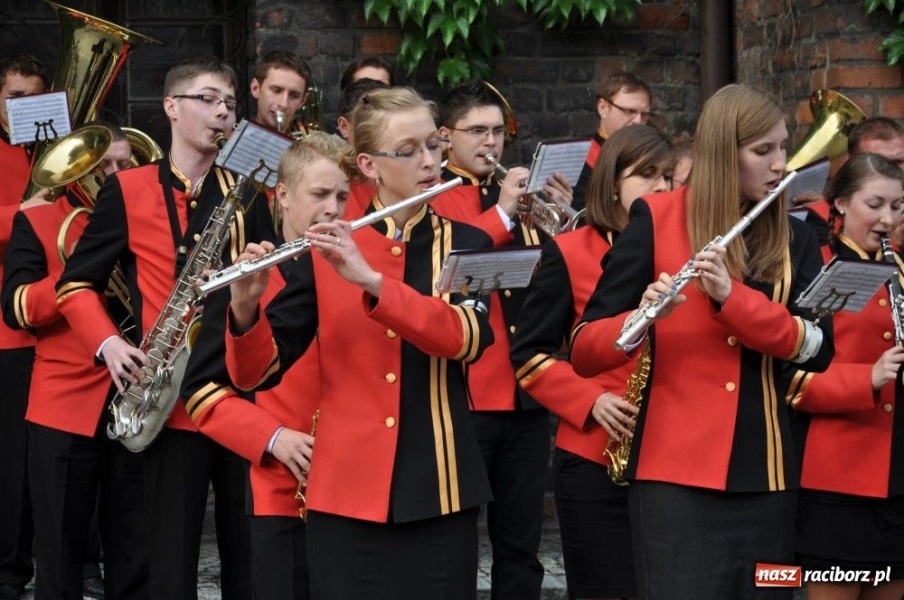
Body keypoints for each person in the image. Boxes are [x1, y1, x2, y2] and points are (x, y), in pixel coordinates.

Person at [223, 86, 494, 599]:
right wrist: (243, 308)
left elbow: (467, 337)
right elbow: (255, 375)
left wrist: (373, 282)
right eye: (409, 150)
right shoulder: (323, 249)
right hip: (344, 492)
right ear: (368, 164)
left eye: (434, 145)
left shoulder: (467, 243)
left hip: (441, 486)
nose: (430, 160)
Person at [569, 83, 834, 599]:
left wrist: (734, 301)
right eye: (763, 151)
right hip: (673, 475)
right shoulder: (656, 217)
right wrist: (644, 316)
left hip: (768, 473)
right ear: (721, 153)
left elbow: (819, 349)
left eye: (783, 146)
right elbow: (582, 348)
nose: (781, 163)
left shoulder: (798, 236)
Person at [55, 56, 269, 600]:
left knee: (250, 552)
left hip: (239, 392)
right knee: (165, 560)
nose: (222, 111)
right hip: (167, 400)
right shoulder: (126, 190)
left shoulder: (250, 192)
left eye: (229, 102)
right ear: (171, 107)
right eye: (208, 98)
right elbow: (76, 285)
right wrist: (108, 345)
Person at [181, 132, 352, 600]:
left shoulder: (361, 271)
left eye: (342, 195)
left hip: (358, 486)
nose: (333, 208)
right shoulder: (246, 276)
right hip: (283, 487)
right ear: (283, 196)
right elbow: (201, 393)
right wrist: (274, 438)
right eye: (319, 195)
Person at [511, 124, 673, 600]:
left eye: (667, 177)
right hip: (595, 454)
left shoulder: (682, 248)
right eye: (647, 175)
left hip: (672, 452)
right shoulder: (568, 251)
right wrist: (590, 400)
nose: (661, 188)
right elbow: (530, 356)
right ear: (613, 185)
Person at [432, 78, 571, 600]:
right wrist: (506, 213)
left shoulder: (515, 198)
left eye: (497, 132)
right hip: (467, 394)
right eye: (477, 132)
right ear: (446, 137)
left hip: (526, 394)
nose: (491, 143)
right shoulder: (438, 197)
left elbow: (550, 278)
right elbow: (455, 265)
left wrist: (558, 220)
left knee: (521, 545)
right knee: (458, 545)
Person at [2, 122, 148, 600]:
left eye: (122, 164)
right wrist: (76, 280)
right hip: (64, 404)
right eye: (101, 165)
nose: (113, 173)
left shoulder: (147, 216)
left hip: (139, 396)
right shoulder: (41, 221)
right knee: (60, 555)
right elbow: (17, 307)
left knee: (134, 545)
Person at [788, 152, 904, 600]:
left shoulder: (899, 268)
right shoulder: (813, 266)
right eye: (875, 204)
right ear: (838, 204)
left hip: (897, 477)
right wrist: (866, 379)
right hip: (834, 482)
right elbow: (790, 381)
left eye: (897, 206)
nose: (888, 218)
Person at [0, 53, 50, 600]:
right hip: (9, 328)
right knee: (13, 455)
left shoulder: (58, 152)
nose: (23, 109)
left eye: (35, 98)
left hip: (61, 324)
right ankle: (11, 568)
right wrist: (26, 210)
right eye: (15, 97)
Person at [573, 71, 652, 210]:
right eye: (629, 111)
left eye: (644, 114)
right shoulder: (578, 161)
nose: (638, 121)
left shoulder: (653, 156)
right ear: (603, 107)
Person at [250, 49, 311, 135]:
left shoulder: (309, 145)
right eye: (276, 91)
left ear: (302, 101)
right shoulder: (228, 143)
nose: (283, 104)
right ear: (255, 88)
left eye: (294, 96)